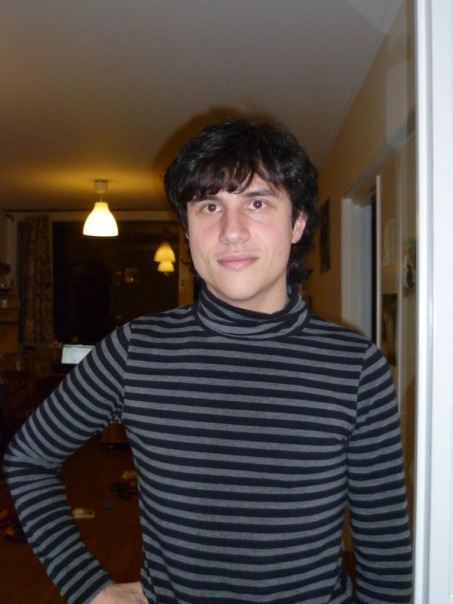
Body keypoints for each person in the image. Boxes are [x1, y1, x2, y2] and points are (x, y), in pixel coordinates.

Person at [4, 117, 412, 604]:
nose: (231, 231)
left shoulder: (357, 368)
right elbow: (29, 459)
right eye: (209, 206)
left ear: (298, 223)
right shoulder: (134, 351)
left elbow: (385, 549)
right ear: (188, 229)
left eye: (257, 202)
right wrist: (89, 589)